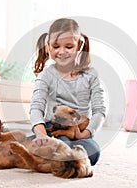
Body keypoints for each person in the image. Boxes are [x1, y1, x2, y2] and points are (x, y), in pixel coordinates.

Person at [29, 18, 106, 166]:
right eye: (56, 46)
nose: (62, 52)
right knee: (62, 143)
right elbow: (36, 106)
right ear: (48, 48)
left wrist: (85, 133)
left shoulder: (91, 75)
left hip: (78, 133)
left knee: (93, 152)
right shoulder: (46, 74)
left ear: (79, 46)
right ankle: (51, 151)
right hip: (53, 129)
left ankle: (53, 155)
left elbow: (99, 110)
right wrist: (41, 133)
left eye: (69, 46)